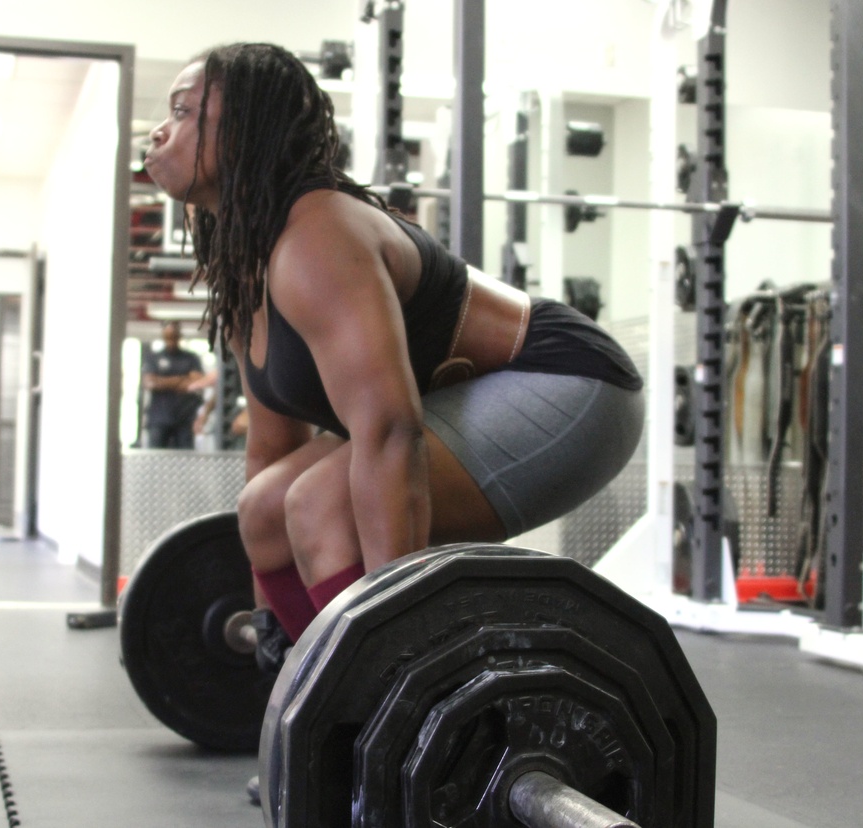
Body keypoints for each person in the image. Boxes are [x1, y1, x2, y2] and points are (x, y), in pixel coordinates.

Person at [143, 42, 645, 669]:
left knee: (322, 503)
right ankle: (321, 720)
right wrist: (274, 634)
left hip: (571, 383)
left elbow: (389, 434)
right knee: (269, 504)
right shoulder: (246, 266)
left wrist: (402, 645)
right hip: (463, 397)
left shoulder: (316, 237)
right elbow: (270, 454)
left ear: (247, 132)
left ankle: (386, 709)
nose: (161, 130)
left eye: (185, 111)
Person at [141, 320, 205, 449]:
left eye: (174, 336)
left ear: (179, 336)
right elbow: (150, 383)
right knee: (156, 458)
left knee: (185, 460)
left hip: (184, 419)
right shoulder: (153, 358)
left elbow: (197, 382)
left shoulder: (191, 358)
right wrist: (182, 379)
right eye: (168, 337)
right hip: (159, 419)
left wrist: (163, 381)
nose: (171, 340)